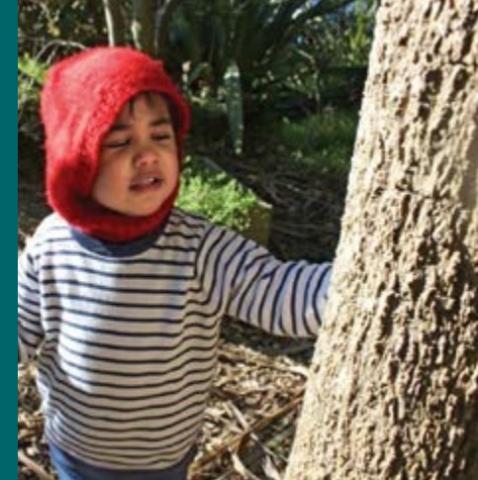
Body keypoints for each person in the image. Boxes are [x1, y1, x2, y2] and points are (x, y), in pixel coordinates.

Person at [18, 47, 333, 480]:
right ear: (78, 162)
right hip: (75, 452)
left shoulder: (199, 248)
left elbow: (280, 296)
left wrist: (354, 284)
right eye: (121, 141)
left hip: (163, 459)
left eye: (160, 136)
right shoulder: (51, 246)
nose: (147, 154)